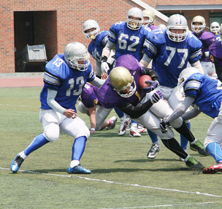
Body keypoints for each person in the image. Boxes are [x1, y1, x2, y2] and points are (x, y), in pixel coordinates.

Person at [95, 54, 207, 170]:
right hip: (137, 108)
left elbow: (148, 70)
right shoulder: (108, 95)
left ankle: (193, 141)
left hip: (147, 94)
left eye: (129, 86)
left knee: (173, 118)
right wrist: (151, 102)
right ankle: (187, 158)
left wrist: (155, 80)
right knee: (164, 132)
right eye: (124, 89)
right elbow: (134, 113)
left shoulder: (130, 66)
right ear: (114, 88)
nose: (128, 90)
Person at [10, 42, 104, 174]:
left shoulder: (85, 67)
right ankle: (21, 156)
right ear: (70, 59)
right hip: (51, 110)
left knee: (83, 132)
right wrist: (64, 111)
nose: (83, 63)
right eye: (79, 60)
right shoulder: (57, 69)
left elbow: (96, 82)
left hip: (68, 111)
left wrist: (112, 84)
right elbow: (50, 100)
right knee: (52, 135)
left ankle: (74, 164)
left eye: (84, 59)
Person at [140, 14, 206, 156]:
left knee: (183, 116)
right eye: (174, 30)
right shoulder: (158, 38)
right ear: (168, 29)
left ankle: (184, 148)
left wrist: (204, 81)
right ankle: (155, 144)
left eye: (180, 30)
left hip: (177, 86)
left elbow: (197, 66)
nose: (177, 33)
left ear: (186, 30)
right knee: (151, 115)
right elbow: (144, 63)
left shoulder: (192, 42)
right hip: (158, 84)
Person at [101, 7, 152, 137]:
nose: (134, 21)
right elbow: (108, 46)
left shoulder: (146, 32)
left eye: (138, 19)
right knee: (114, 95)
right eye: (132, 18)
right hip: (118, 66)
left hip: (135, 67)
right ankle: (125, 117)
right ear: (127, 18)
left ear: (142, 20)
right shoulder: (118, 27)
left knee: (136, 97)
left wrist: (145, 69)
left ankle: (134, 125)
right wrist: (104, 61)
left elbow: (148, 54)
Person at [83, 19, 131, 136]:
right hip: (106, 72)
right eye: (88, 30)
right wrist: (98, 76)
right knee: (82, 106)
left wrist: (107, 66)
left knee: (115, 95)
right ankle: (112, 121)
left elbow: (112, 50)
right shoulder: (90, 47)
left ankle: (128, 119)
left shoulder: (103, 36)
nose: (91, 32)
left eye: (92, 29)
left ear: (97, 28)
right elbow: (99, 62)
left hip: (115, 69)